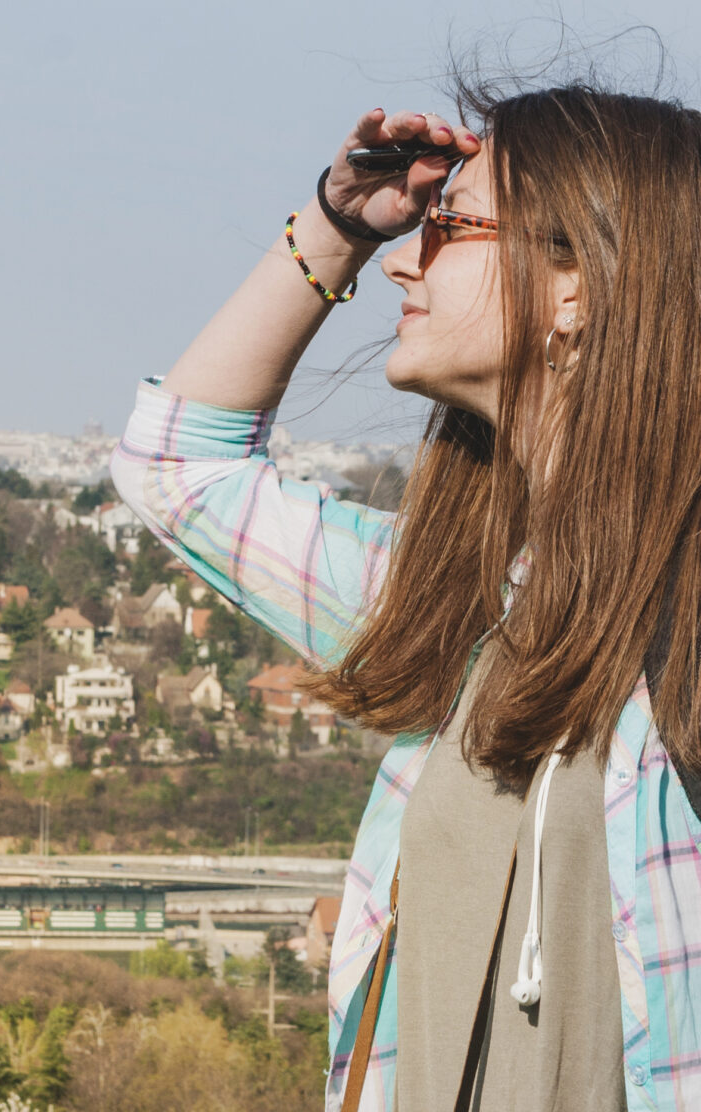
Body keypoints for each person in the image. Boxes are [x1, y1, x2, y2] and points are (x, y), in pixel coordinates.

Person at [110, 89, 701, 1111]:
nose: (402, 260)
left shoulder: (683, 625)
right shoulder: (452, 604)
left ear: (580, 287)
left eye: (450, 227)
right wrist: (335, 226)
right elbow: (175, 469)